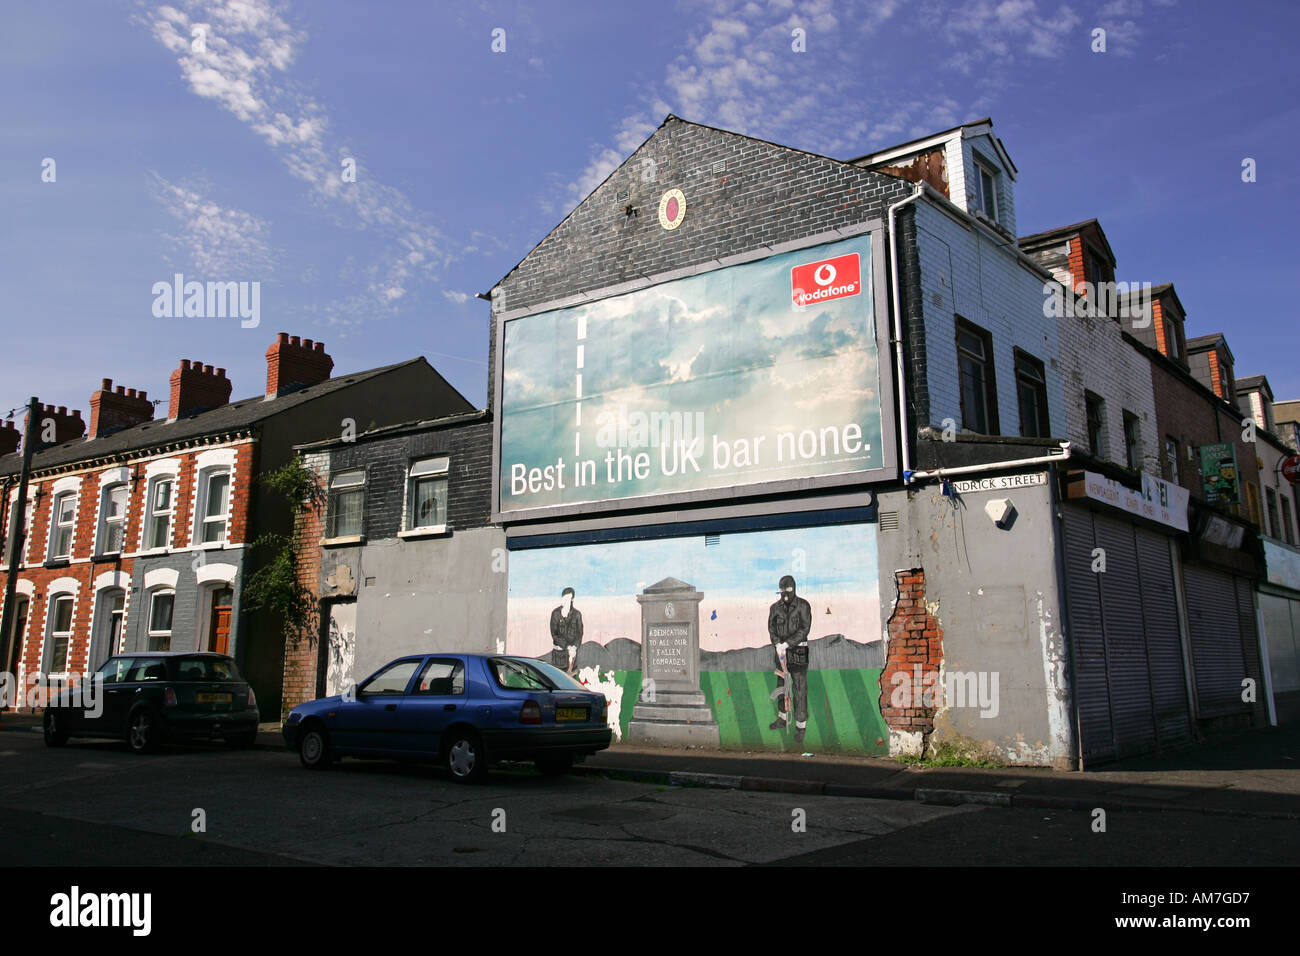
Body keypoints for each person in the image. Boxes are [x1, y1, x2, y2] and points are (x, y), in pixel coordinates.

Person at [769, 574, 812, 745]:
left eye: (788, 589)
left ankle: (801, 726)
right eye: (782, 589)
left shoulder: (803, 606)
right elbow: (771, 628)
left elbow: (805, 628)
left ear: (793, 588)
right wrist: (777, 643)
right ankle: (782, 717)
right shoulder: (774, 608)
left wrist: (788, 643)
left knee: (799, 688)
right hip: (780, 652)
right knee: (781, 685)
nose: (785, 593)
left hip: (798, 651)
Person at [549, 587, 583, 674]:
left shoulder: (577, 614)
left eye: (568, 598)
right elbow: (554, 634)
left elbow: (579, 633)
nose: (565, 600)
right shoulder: (556, 613)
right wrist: (567, 647)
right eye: (564, 598)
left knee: (572, 679)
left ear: (572, 599)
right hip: (558, 657)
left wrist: (574, 647)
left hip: (573, 657)